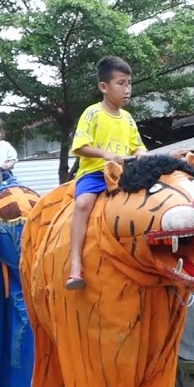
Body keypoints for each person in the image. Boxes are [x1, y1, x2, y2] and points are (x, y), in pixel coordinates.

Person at [65, 56, 147, 290]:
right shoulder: (93, 113)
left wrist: (141, 152)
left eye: (129, 83)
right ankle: (75, 265)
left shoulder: (128, 119)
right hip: (95, 174)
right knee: (82, 204)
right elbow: (80, 146)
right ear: (104, 86)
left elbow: (137, 144)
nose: (127, 89)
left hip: (124, 175)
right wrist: (105, 155)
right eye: (121, 83)